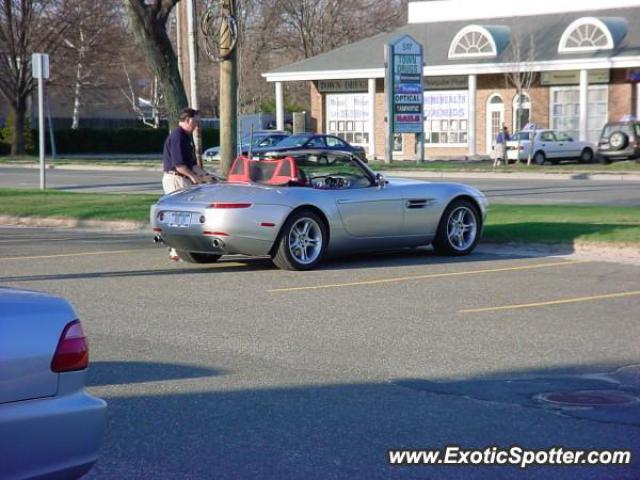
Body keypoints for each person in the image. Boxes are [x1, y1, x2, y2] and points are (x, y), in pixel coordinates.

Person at [162, 107, 208, 260]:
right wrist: (194, 177)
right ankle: (175, 250)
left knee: (185, 215)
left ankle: (182, 249)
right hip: (176, 179)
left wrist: (206, 175)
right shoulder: (178, 137)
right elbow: (179, 165)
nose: (197, 125)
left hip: (183, 178)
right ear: (188, 120)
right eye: (196, 121)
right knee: (178, 216)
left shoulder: (186, 137)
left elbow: (191, 164)